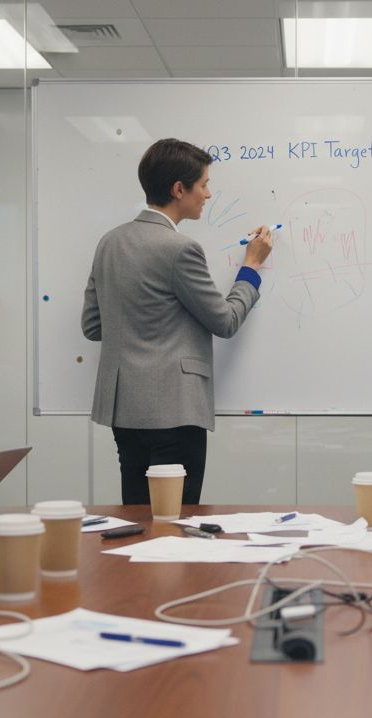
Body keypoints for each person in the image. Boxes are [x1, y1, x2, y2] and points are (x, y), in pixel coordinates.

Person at [82, 138, 273, 505]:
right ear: (178, 189)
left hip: (125, 410)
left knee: (137, 518)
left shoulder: (109, 242)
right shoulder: (179, 249)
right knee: (175, 521)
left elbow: (92, 326)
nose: (208, 194)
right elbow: (226, 321)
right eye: (203, 185)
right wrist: (251, 266)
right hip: (174, 409)